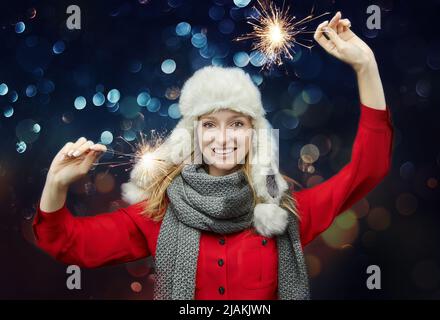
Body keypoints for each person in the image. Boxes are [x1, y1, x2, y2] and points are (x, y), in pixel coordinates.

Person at [33, 12, 393, 300]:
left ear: (254, 133)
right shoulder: (157, 214)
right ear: (193, 134)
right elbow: (68, 243)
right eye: (209, 125)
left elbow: (369, 168)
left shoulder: (286, 214)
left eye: (236, 123)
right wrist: (56, 184)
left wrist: (366, 66)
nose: (223, 138)